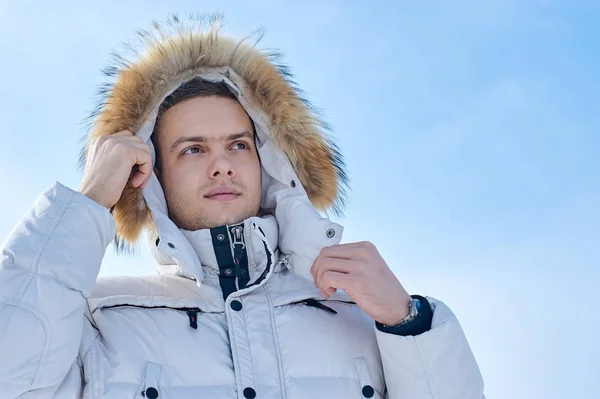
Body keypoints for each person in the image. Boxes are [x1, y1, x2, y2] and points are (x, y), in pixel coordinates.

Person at [0, 15, 484, 399]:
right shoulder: (99, 321)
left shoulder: (360, 314)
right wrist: (87, 203)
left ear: (270, 161)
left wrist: (409, 322)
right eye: (192, 149)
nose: (221, 166)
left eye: (238, 145)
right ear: (150, 176)